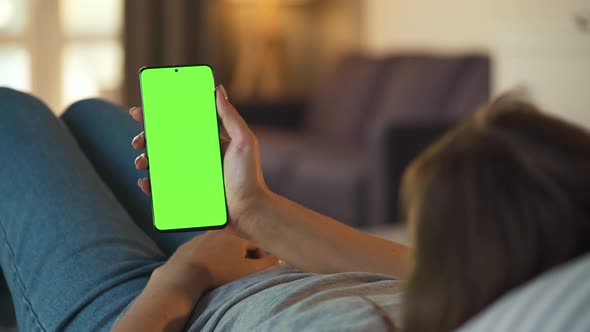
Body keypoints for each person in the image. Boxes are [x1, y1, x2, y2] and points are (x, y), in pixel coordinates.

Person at [0, 86, 588, 332]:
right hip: (250, 258)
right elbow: (420, 269)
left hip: (156, 306)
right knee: (93, 117)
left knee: (13, 115)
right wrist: (255, 208)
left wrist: (185, 274)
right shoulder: (491, 294)